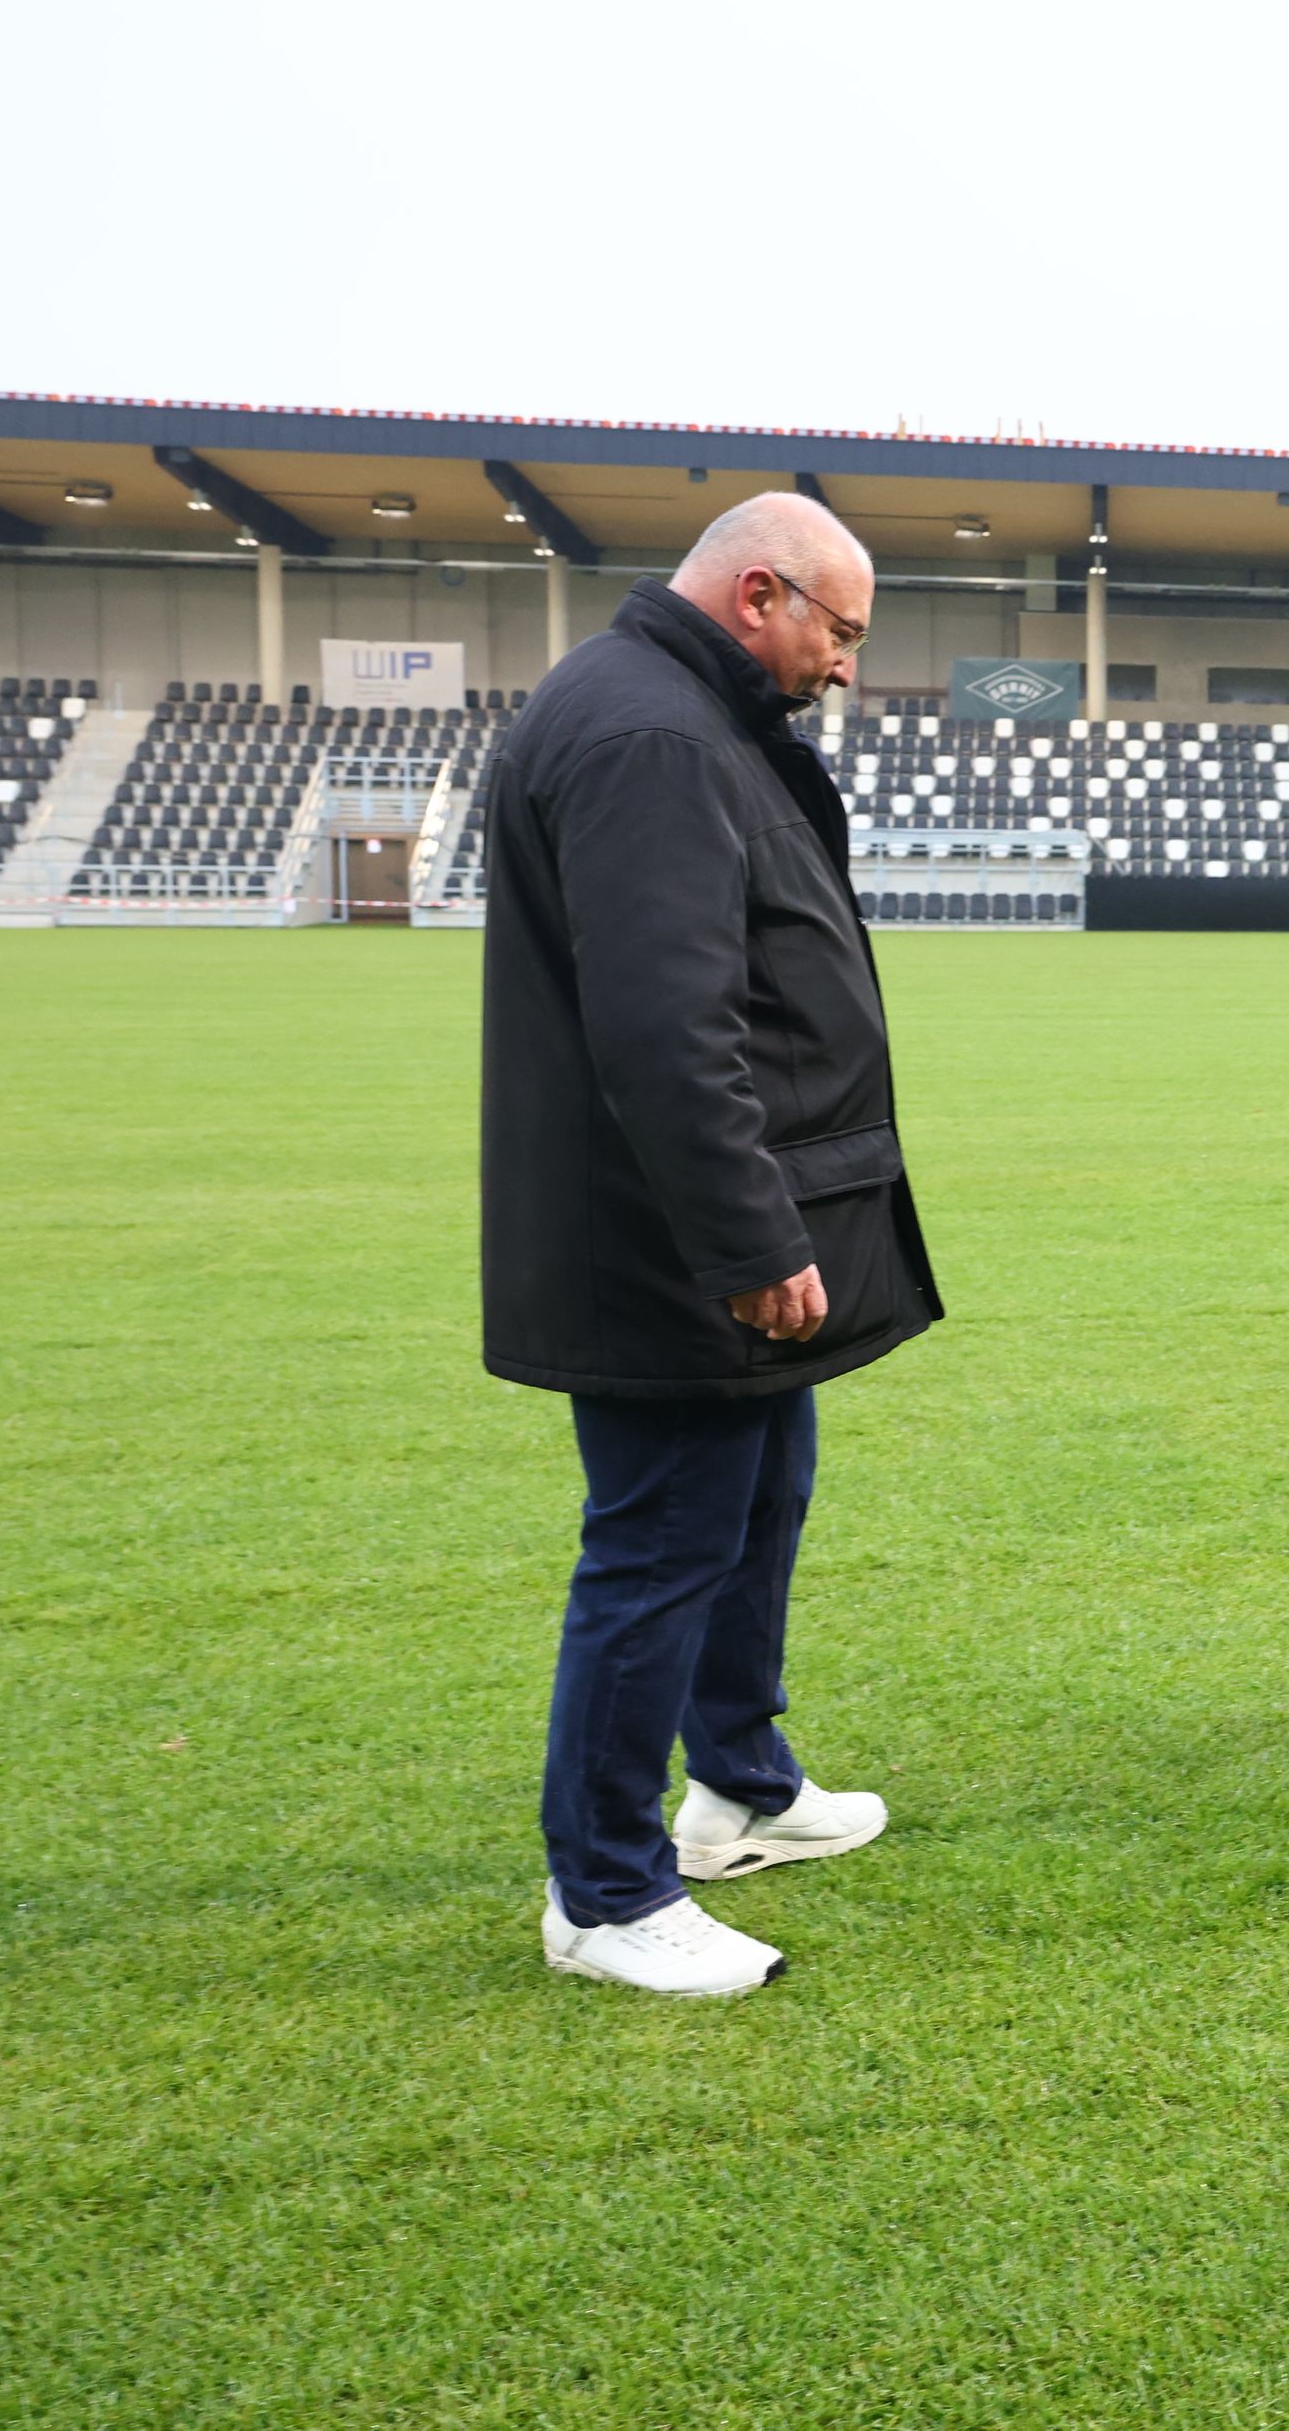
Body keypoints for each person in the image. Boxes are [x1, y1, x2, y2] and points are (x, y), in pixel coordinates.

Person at [482, 492, 941, 1994]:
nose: (846, 667)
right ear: (761, 594)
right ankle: (605, 1896)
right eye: (841, 631)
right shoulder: (653, 738)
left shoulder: (681, 715)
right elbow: (666, 1027)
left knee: (757, 1501)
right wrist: (748, 1236)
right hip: (666, 1243)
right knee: (664, 1542)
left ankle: (740, 1786)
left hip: (706, 1224)